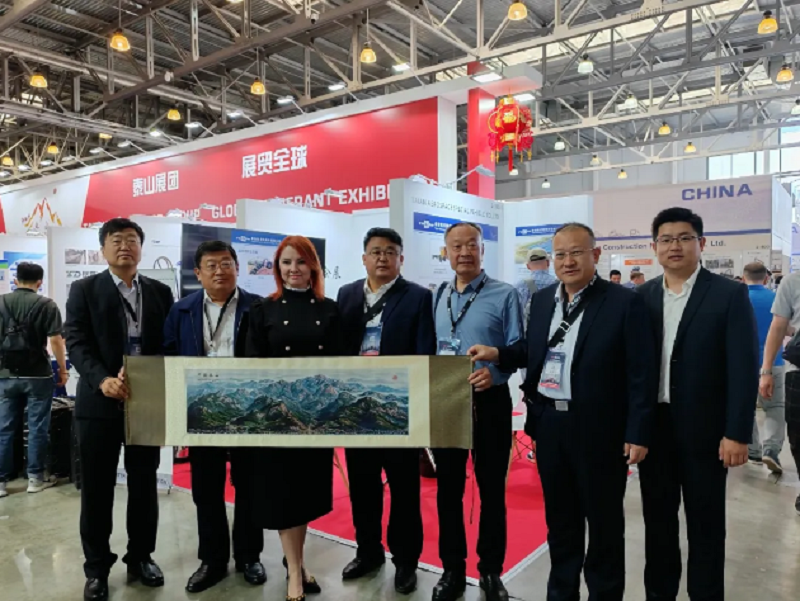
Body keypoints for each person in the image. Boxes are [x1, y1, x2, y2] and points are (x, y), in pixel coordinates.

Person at [469, 222, 657, 601]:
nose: (568, 261)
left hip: (600, 430)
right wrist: (498, 353)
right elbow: (533, 353)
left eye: (576, 252)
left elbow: (642, 371)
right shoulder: (542, 301)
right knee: (560, 522)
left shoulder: (623, 302)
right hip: (551, 426)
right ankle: (561, 593)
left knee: (604, 526)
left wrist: (638, 431)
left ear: (595, 255)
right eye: (560, 254)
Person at [637, 207, 758, 601]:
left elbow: (743, 367)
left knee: (706, 526)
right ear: (654, 247)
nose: (675, 246)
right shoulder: (642, 296)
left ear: (701, 243)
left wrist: (737, 433)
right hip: (655, 429)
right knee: (658, 524)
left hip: (706, 432)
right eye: (666, 239)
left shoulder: (728, 294)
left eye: (685, 238)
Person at [64, 218, 175, 601]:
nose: (125, 246)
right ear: (103, 249)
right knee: (97, 490)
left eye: (131, 239)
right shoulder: (84, 289)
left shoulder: (159, 291)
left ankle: (141, 557)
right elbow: (76, 341)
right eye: (116, 240)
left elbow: (168, 343)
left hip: (146, 402)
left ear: (141, 247)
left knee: (144, 485)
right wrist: (101, 379)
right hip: (100, 403)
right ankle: (96, 569)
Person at [336, 227, 435, 594]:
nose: (382, 258)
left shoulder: (418, 297)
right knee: (362, 487)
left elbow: (425, 352)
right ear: (364, 258)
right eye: (376, 251)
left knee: (405, 490)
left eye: (390, 251)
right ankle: (368, 552)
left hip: (397, 410)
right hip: (355, 409)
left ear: (400, 259)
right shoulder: (347, 294)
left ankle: (406, 561)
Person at [163, 241, 266, 592]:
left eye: (226, 263)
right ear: (198, 273)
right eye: (211, 265)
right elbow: (168, 356)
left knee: (250, 486)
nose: (220, 270)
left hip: (249, 412)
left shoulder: (258, 307)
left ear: (237, 268)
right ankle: (213, 560)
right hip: (201, 411)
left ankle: (249, 556)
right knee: (206, 489)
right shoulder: (182, 310)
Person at [430, 222, 523, 601]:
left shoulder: (505, 294)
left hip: (490, 402)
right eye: (456, 246)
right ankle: (451, 569)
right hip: (446, 400)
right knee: (447, 492)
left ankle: (490, 571)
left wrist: (496, 371)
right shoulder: (437, 295)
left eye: (472, 245)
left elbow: (519, 349)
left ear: (483, 250)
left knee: (491, 492)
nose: (464, 252)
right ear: (446, 252)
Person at [246, 235, 340, 601]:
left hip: (315, 418)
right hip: (278, 419)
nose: (293, 269)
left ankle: (297, 564)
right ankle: (295, 574)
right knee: (283, 495)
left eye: (300, 262)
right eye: (286, 262)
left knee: (304, 495)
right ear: (277, 267)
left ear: (313, 266)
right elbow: (251, 366)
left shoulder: (330, 310)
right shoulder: (262, 310)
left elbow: (341, 366)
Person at [0, 262, 67, 498]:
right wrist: (62, 369)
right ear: (40, 282)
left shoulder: (1, 302)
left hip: (5, 375)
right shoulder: (47, 305)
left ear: (15, 280)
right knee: (38, 427)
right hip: (38, 374)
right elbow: (56, 340)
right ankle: (35, 479)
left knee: (4, 428)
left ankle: (1, 482)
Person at [759, 269, 800, 514]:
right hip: (798, 371)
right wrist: (766, 370)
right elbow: (778, 326)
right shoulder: (793, 282)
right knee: (797, 435)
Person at [742, 262, 785, 472]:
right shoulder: (776, 298)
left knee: (745, 407)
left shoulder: (738, 299)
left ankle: (753, 450)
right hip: (774, 362)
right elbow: (788, 329)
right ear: (766, 278)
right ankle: (771, 450)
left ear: (743, 278)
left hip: (743, 364)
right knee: (774, 407)